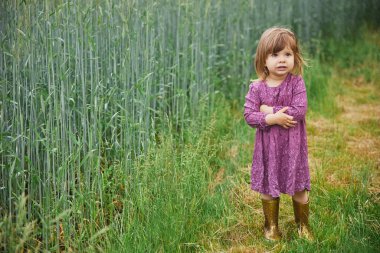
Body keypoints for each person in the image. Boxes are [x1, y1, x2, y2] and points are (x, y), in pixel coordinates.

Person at [243, 27, 313, 241]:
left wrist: (267, 109)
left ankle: (303, 225)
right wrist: (270, 118)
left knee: (299, 186)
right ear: (263, 59)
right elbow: (248, 115)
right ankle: (271, 226)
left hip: (293, 148)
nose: (281, 60)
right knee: (268, 186)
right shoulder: (257, 88)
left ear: (295, 57)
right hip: (268, 150)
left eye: (287, 54)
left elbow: (299, 110)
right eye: (275, 55)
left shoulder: (296, 82)